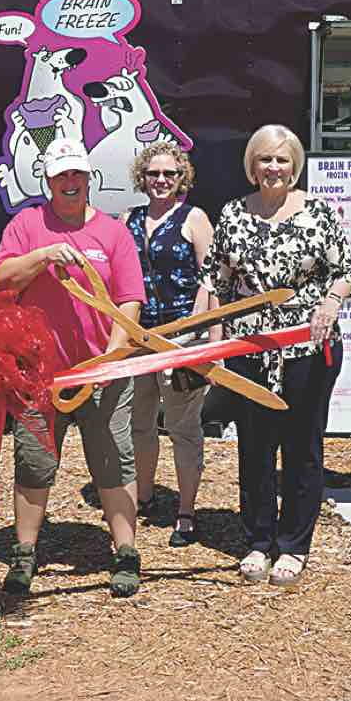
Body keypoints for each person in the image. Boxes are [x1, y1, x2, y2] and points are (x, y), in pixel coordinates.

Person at [200, 124, 351, 587]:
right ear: (252, 166)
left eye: (282, 160)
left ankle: (294, 544)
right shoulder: (232, 214)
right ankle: (258, 539)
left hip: (308, 345)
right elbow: (216, 283)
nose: (274, 168)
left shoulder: (318, 212)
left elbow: (344, 270)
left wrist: (330, 305)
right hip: (248, 347)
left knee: (301, 446)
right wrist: (214, 342)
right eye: (265, 159)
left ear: (295, 166)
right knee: (254, 444)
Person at [0, 137, 146, 597]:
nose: (70, 183)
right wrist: (42, 256)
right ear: (48, 181)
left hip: (102, 375)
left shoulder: (114, 233)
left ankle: (126, 551)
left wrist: (112, 356)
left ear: (89, 179)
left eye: (77, 174)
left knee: (114, 462)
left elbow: (130, 299)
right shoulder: (27, 225)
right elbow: (1, 279)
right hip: (40, 375)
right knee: (33, 462)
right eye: (61, 176)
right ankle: (24, 555)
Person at [120, 142, 216, 547]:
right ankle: (144, 497)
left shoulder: (194, 219)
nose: (161, 181)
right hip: (137, 338)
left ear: (182, 179)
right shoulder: (128, 219)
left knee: (183, 428)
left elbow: (210, 281)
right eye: (153, 174)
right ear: (141, 178)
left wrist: (202, 338)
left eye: (170, 174)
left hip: (182, 338)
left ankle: (186, 511)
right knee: (139, 424)